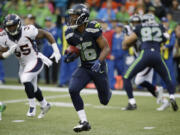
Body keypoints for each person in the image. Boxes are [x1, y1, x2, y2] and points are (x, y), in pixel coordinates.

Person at [0, 14, 61, 118]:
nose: (11, 28)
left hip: (35, 60)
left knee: (25, 78)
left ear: (18, 24)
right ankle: (45, 104)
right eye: (9, 26)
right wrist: (7, 53)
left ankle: (32, 107)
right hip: (23, 64)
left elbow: (46, 34)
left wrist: (56, 50)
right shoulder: (4, 36)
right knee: (33, 88)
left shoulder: (28, 30)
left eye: (13, 25)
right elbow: (1, 54)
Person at [64, 4, 112, 132]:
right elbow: (79, 48)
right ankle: (84, 121)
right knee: (73, 89)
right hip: (85, 67)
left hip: (98, 67)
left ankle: (108, 91)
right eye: (71, 15)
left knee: (104, 101)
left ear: (82, 17)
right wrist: (72, 55)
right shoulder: (70, 33)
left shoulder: (93, 28)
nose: (72, 18)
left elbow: (106, 48)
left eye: (74, 15)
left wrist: (99, 61)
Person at [122, 13, 178, 111]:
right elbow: (165, 38)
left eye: (137, 22)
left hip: (145, 57)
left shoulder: (139, 29)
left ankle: (133, 102)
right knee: (163, 77)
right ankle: (168, 96)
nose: (136, 24)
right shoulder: (156, 27)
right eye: (134, 22)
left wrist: (127, 34)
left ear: (142, 22)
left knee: (136, 80)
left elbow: (126, 43)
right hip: (154, 55)